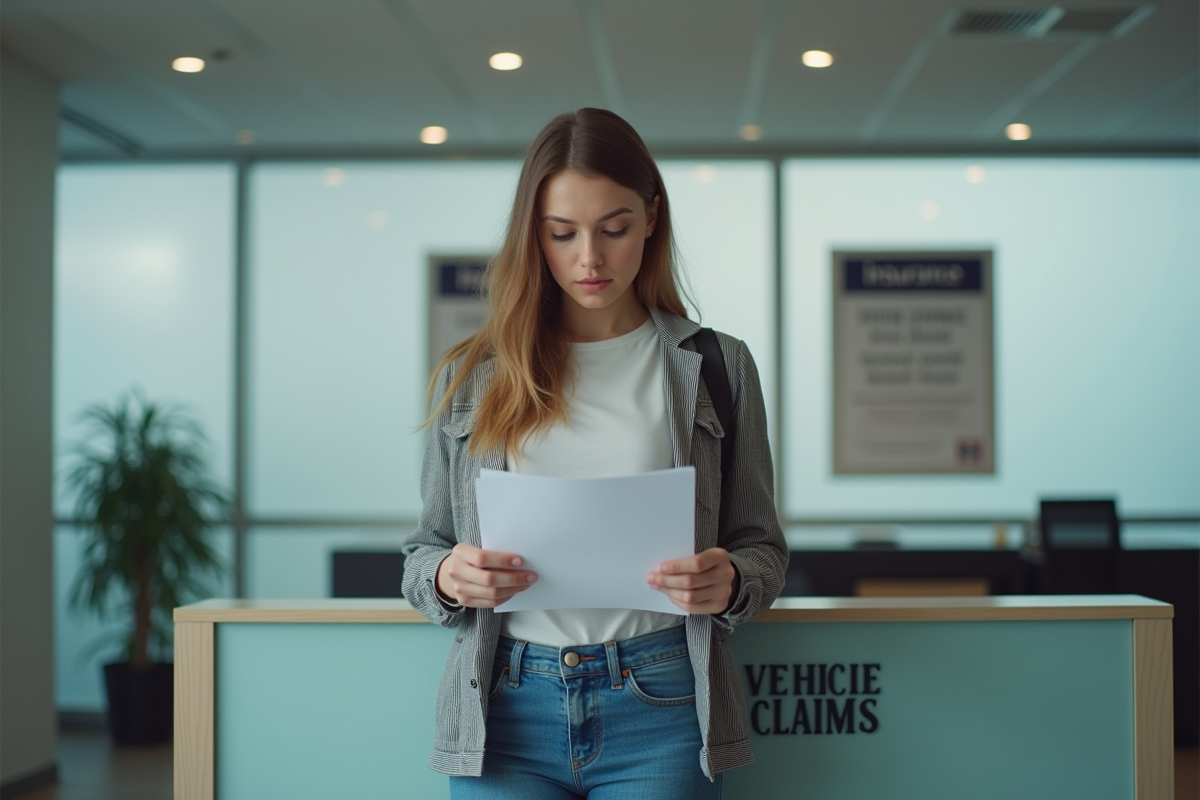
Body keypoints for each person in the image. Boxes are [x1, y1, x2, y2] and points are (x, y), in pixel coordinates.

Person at [402, 107, 787, 799]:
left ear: (650, 219)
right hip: (504, 707)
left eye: (614, 228)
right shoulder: (475, 372)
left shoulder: (716, 365)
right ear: (533, 237)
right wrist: (446, 578)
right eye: (562, 233)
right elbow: (422, 551)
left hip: (662, 701)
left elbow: (762, 546)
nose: (590, 257)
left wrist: (731, 581)